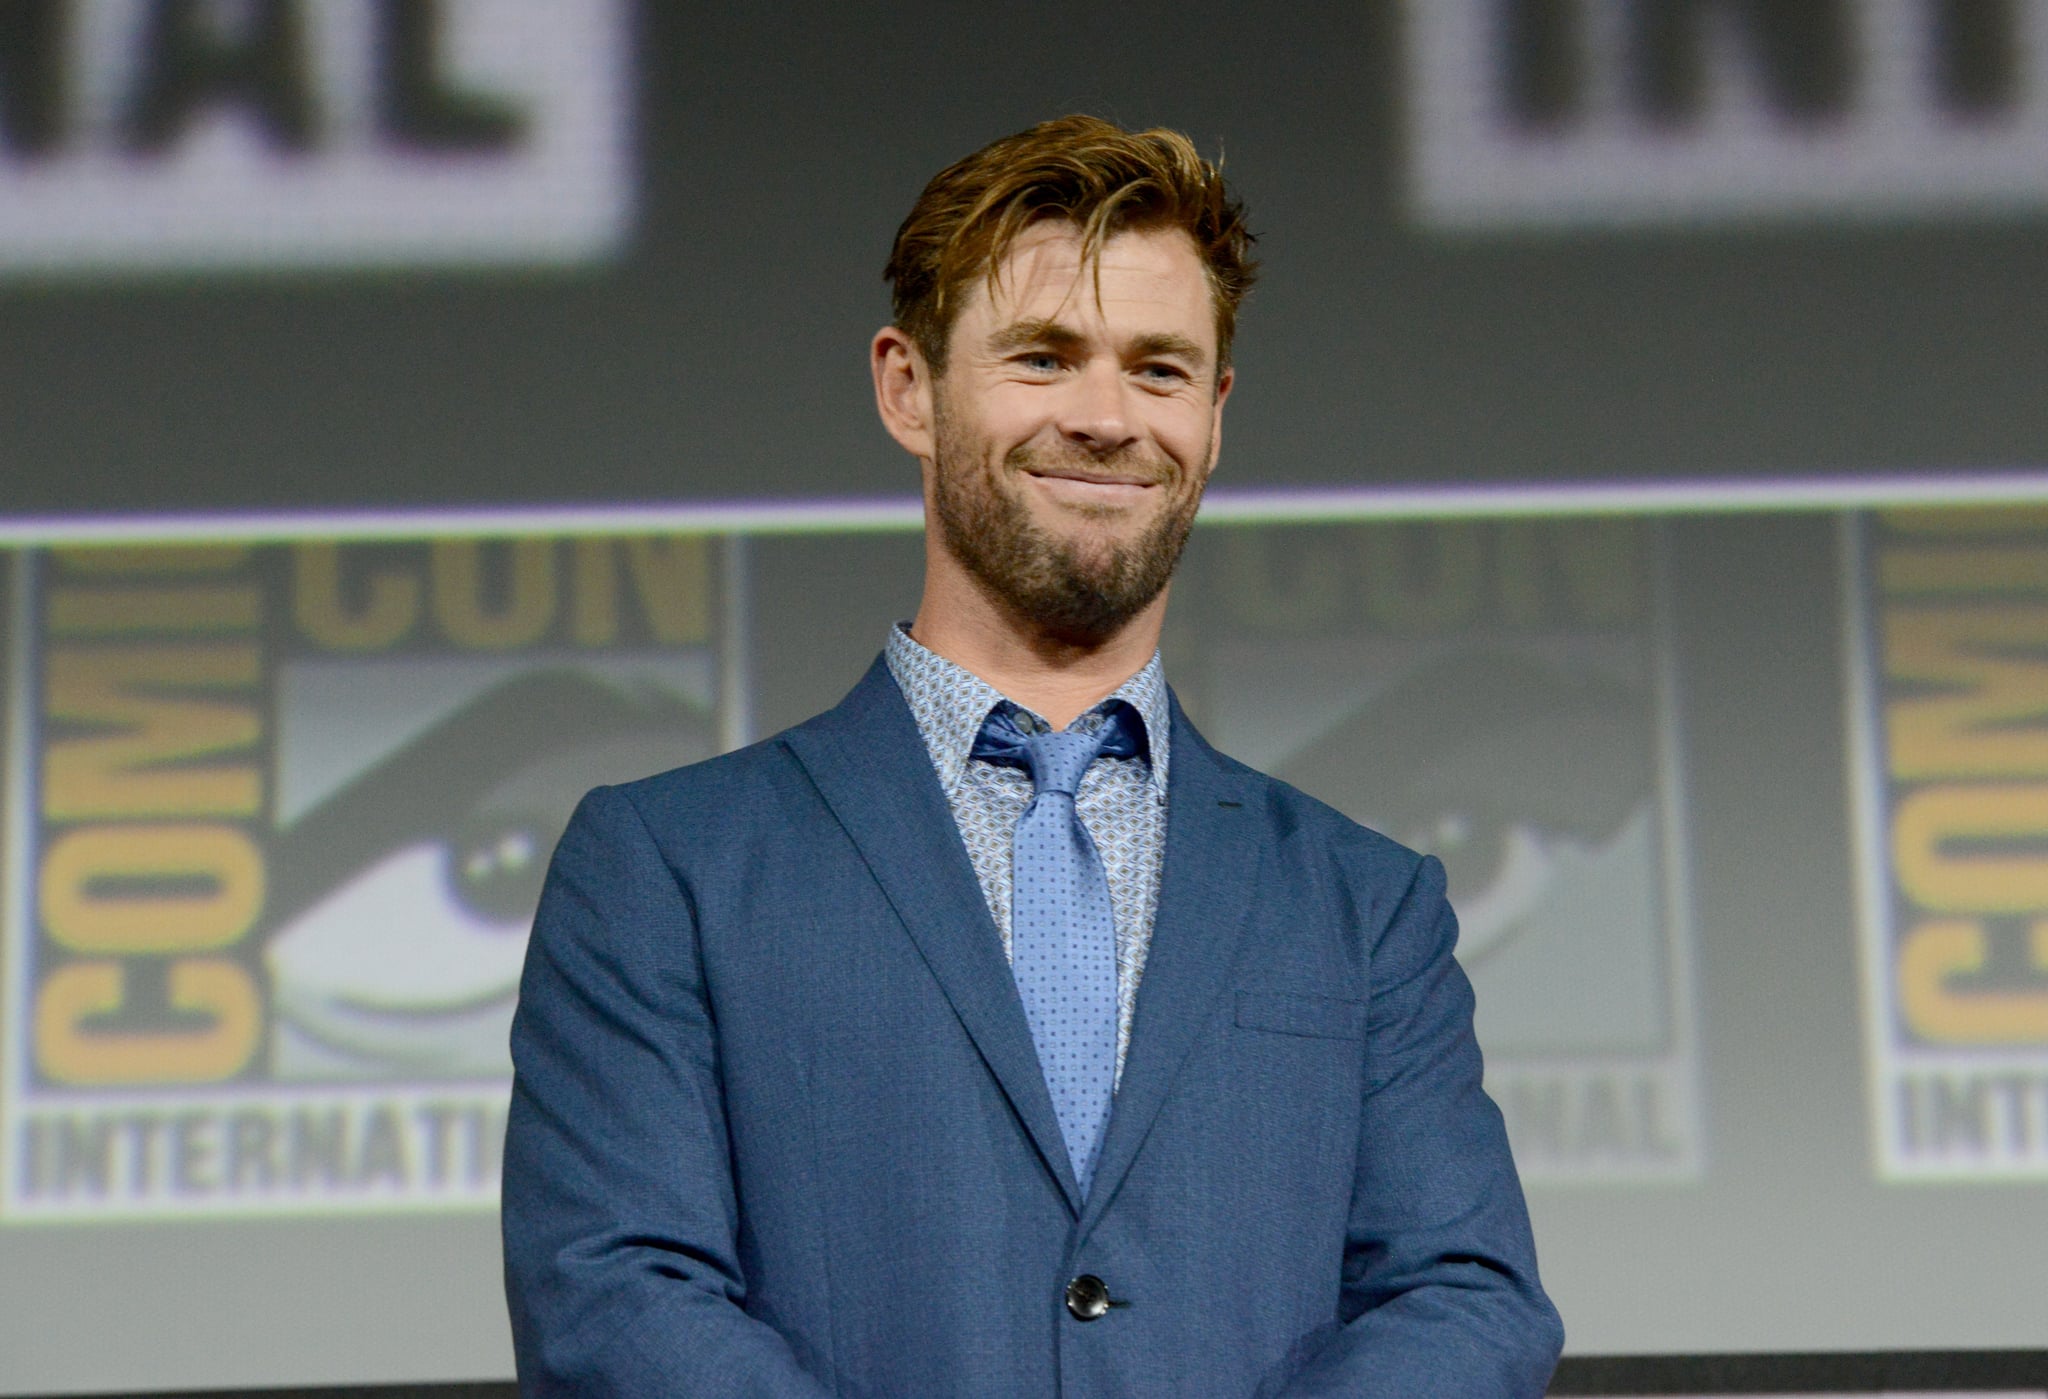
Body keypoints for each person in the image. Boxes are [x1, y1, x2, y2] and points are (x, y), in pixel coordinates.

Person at [501, 115, 1564, 1397]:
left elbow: (1461, 1297)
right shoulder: (667, 868)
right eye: (1044, 356)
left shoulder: (1365, 902)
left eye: (1160, 368)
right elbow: (613, 1296)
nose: (1107, 417)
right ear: (908, 387)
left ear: (1215, 416)